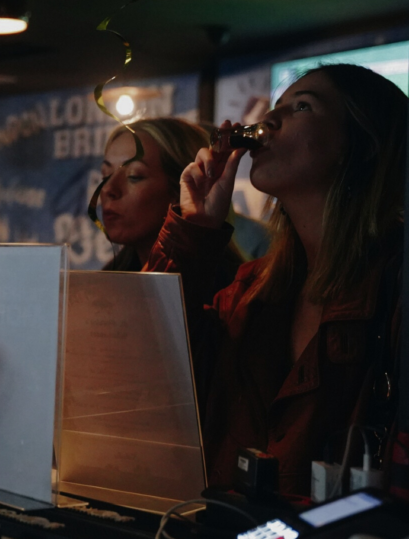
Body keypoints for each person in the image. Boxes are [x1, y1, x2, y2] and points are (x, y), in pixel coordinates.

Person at [145, 64, 407, 496]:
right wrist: (194, 228)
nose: (266, 121)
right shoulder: (252, 290)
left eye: (302, 106)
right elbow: (145, 365)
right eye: (275, 106)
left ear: (358, 144)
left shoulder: (396, 284)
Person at [99, 118, 245, 304]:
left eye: (134, 176)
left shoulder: (230, 293)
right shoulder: (109, 281)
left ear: (183, 190)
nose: (108, 189)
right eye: (105, 174)